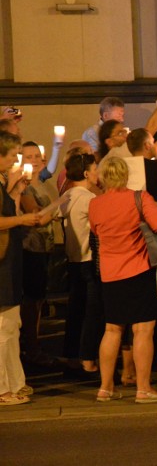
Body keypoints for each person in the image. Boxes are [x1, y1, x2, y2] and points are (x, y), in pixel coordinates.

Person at [89, 157, 157, 403]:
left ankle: (105, 387)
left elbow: (95, 230)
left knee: (112, 329)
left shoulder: (95, 204)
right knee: (143, 330)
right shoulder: (139, 197)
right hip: (138, 269)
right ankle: (143, 388)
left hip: (110, 273)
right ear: (125, 175)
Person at [0, 131, 43, 405]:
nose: (16, 160)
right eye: (13, 155)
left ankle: (16, 382)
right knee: (3, 327)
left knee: (12, 324)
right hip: (2, 261)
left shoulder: (4, 182)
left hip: (10, 258)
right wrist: (22, 219)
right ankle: (2, 389)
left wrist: (15, 191)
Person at [59, 153, 103, 378]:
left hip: (72, 260)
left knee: (75, 310)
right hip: (88, 260)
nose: (97, 173)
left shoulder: (66, 195)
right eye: (95, 169)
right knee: (92, 312)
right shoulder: (88, 199)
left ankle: (71, 356)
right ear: (86, 173)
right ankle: (88, 360)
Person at [18, 141, 59, 366]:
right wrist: (61, 203)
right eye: (28, 157)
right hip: (30, 247)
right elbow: (37, 216)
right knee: (32, 300)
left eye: (36, 156)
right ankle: (31, 347)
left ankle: (35, 345)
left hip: (45, 247)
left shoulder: (41, 183)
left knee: (39, 299)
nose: (33, 161)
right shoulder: (24, 187)